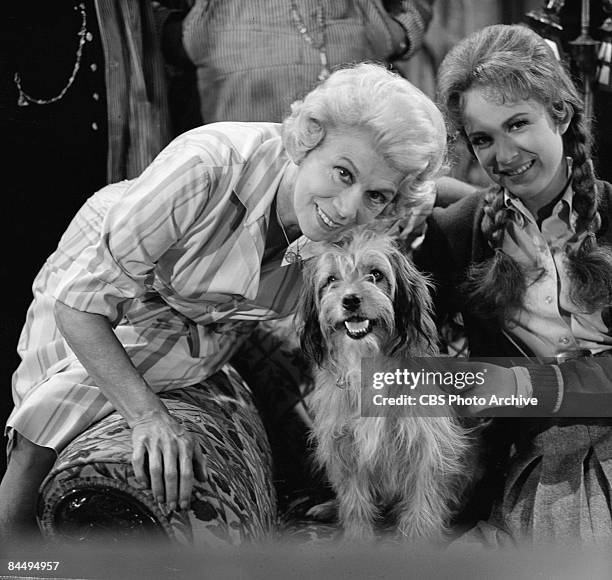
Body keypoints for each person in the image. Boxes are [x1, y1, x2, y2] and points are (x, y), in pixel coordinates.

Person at [0, 63, 447, 540]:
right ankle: (14, 556)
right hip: (108, 286)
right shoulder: (206, 165)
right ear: (307, 140)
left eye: (375, 195)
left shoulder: (362, 232)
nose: (346, 208)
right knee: (50, 416)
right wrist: (149, 417)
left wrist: (499, 198)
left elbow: (429, 207)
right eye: (342, 173)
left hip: (212, 324)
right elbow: (80, 305)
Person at [414, 24, 612, 546]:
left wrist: (515, 387)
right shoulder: (458, 234)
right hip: (540, 466)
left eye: (518, 124)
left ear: (561, 114)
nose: (504, 156)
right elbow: (396, 360)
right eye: (483, 138)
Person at [163, 0, 435, 124]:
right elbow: (142, 17)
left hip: (353, 59)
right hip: (234, 86)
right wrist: (181, 37)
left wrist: (400, 31)